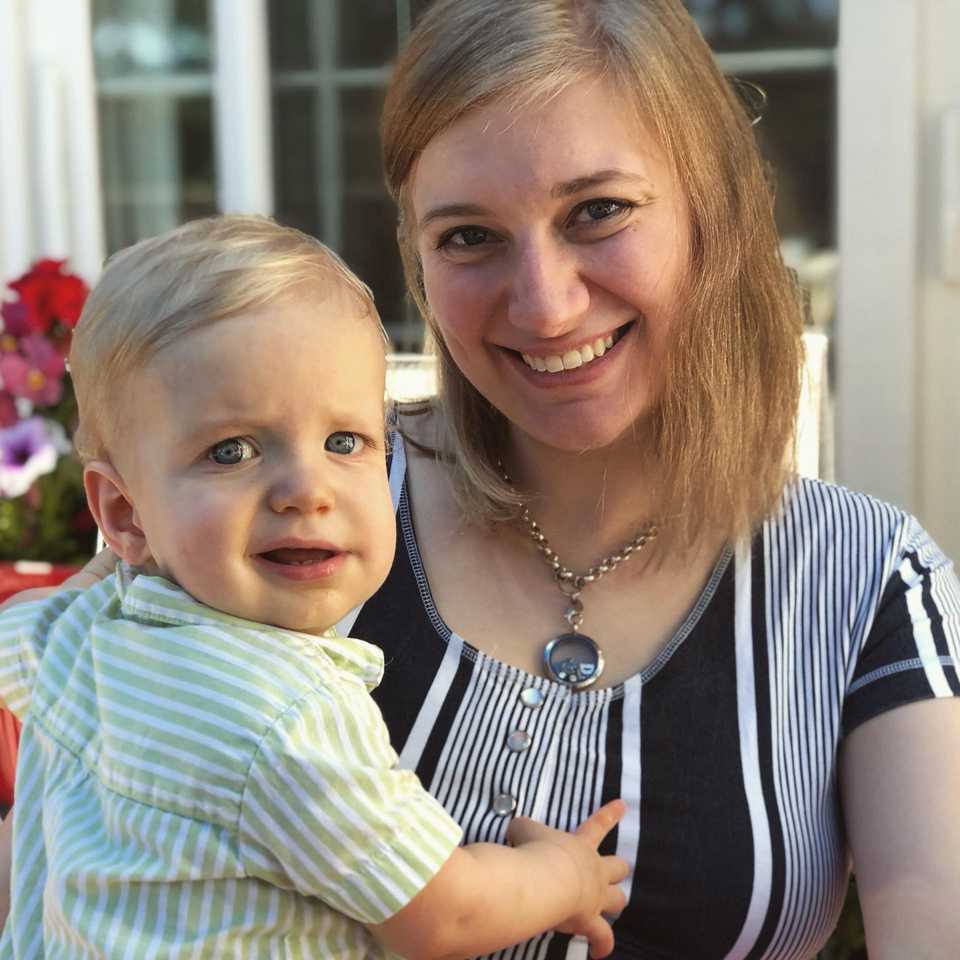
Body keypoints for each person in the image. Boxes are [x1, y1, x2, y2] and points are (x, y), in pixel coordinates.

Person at [2, 1, 959, 958]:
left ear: (714, 213)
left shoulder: (867, 581)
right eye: (469, 235)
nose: (545, 306)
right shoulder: (263, 527)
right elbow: (68, 836)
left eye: (599, 212)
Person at [0, 215, 630, 959]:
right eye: (231, 451)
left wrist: (137, 543)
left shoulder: (78, 631)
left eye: (344, 442)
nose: (306, 490)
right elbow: (444, 917)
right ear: (125, 509)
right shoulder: (288, 716)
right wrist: (562, 877)